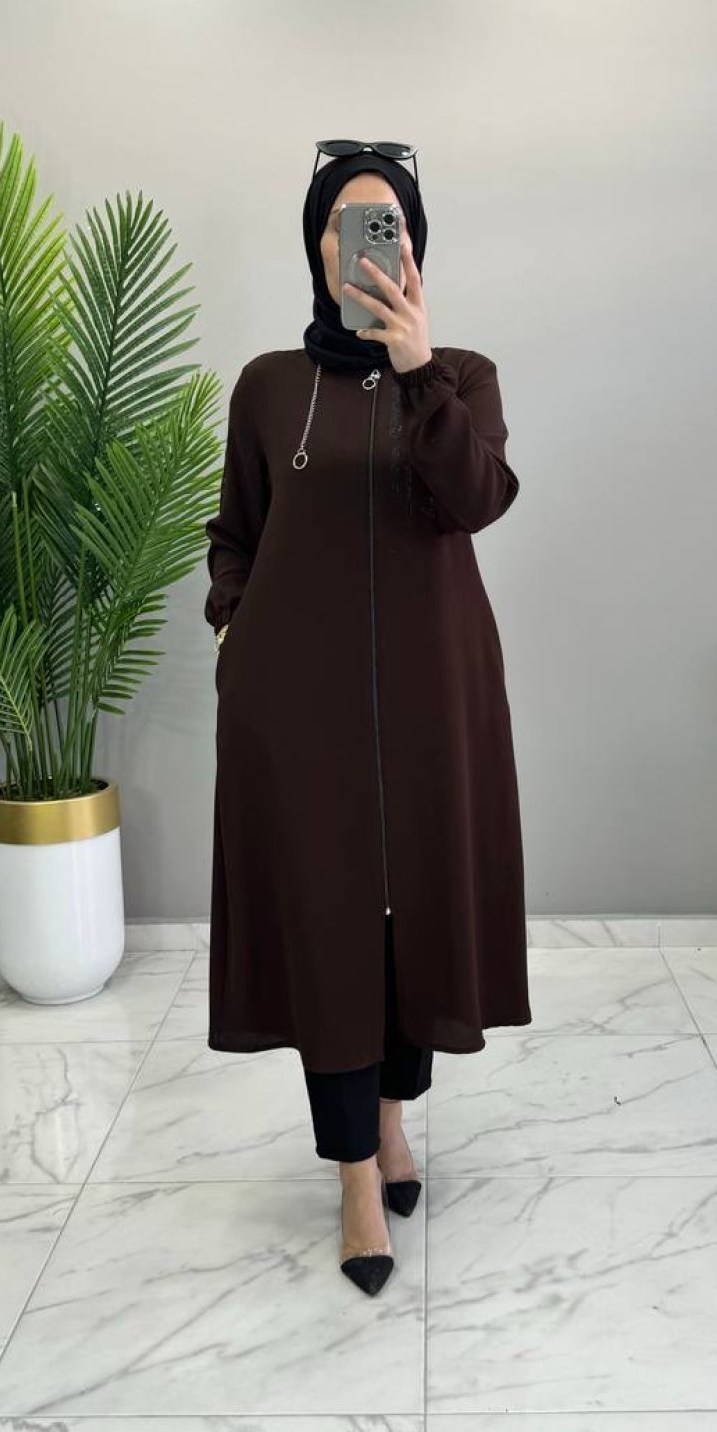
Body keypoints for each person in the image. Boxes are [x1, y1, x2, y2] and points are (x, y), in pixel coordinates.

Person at [204, 141, 531, 1298]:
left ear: (414, 244)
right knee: (329, 919)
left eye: (384, 221)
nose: (364, 242)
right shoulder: (266, 385)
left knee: (414, 915)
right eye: (345, 221)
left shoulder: (462, 374)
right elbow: (235, 531)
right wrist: (234, 628)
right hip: (296, 708)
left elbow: (475, 499)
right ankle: (353, 1177)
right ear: (316, 243)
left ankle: (392, 1120)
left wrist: (416, 366)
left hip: (435, 696)